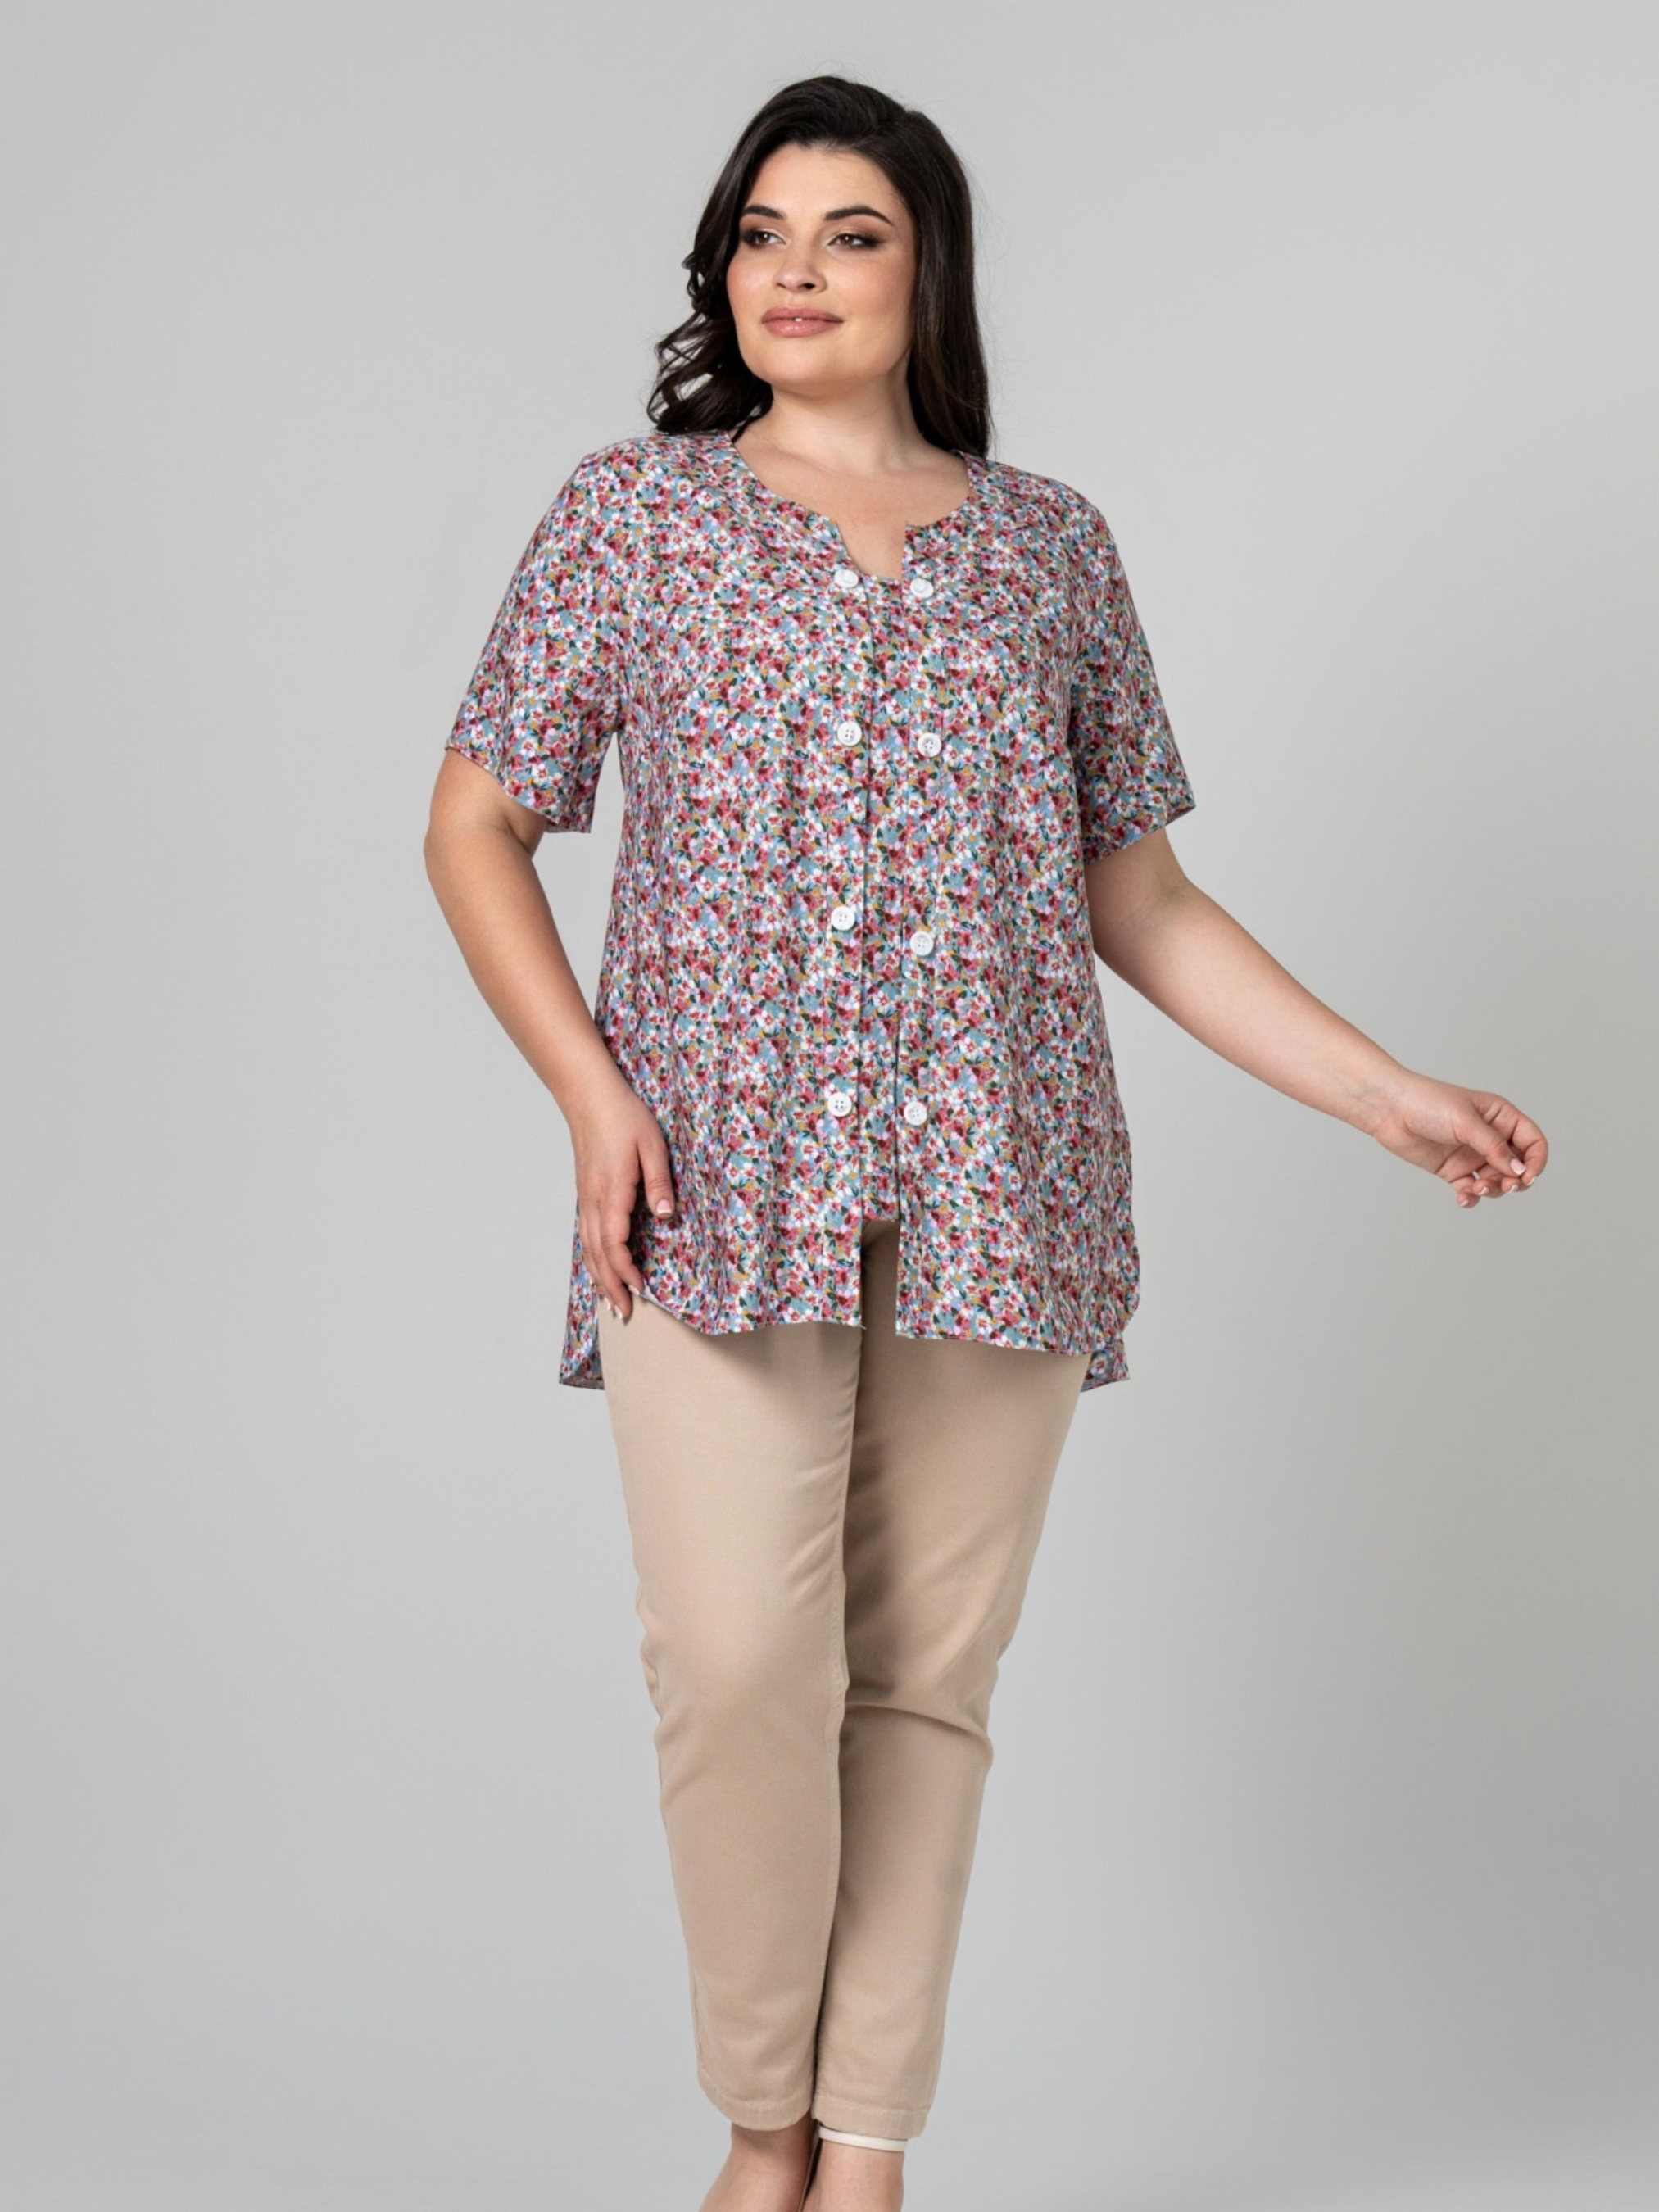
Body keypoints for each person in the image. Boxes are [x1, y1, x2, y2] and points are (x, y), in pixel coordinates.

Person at [423, 72, 1548, 2212]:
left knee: (925, 1681)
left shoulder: (1049, 547)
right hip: (709, 1175)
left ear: (924, 267)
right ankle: (758, 2120)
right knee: (739, 1665)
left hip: (999, 1182)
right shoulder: (629, 518)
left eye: (848, 233)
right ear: (718, 271)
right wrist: (590, 1084)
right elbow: (475, 821)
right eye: (760, 234)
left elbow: (1139, 898)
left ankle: (860, 2154)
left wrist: (1388, 1092)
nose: (794, 273)